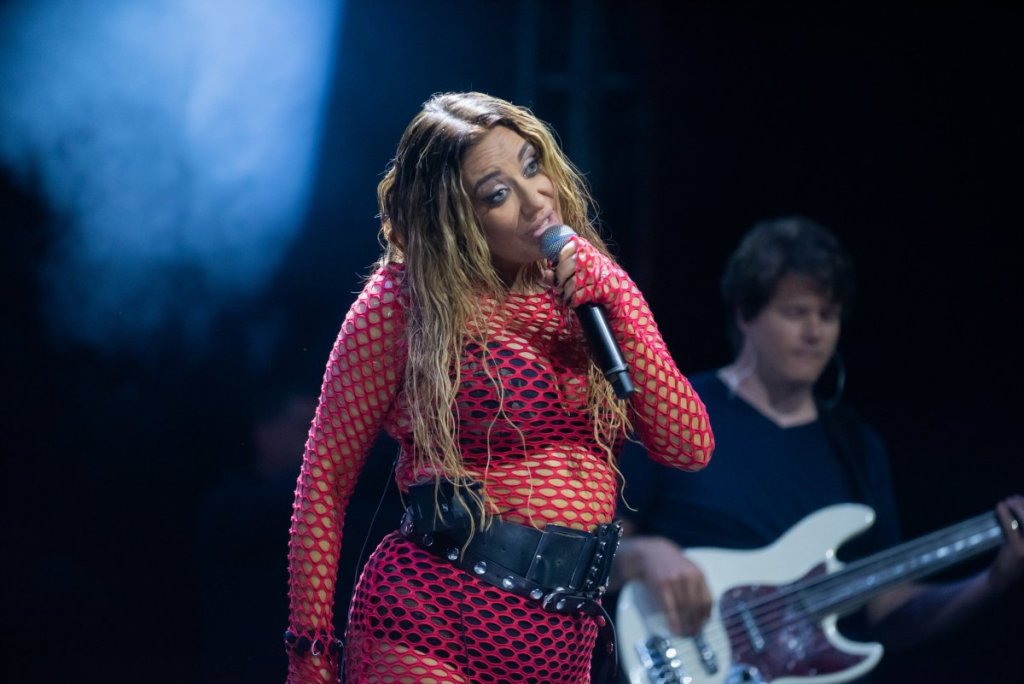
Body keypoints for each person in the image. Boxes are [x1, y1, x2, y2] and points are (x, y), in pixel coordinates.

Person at [283, 91, 715, 684]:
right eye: (497, 193)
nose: (536, 198)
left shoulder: (594, 288)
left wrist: (618, 298)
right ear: (453, 219)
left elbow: (689, 447)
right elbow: (324, 480)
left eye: (532, 166)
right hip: (429, 624)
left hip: (562, 644)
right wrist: (309, 653)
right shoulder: (402, 301)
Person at [610, 215, 1024, 682]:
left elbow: (888, 609)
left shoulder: (857, 448)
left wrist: (992, 580)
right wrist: (644, 554)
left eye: (828, 316)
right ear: (746, 315)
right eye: (796, 312)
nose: (814, 332)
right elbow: (589, 552)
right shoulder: (675, 412)